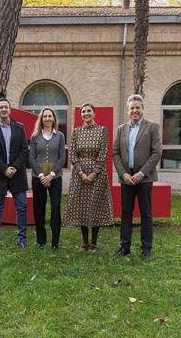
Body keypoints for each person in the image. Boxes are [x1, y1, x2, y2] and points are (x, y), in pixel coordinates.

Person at [113, 94, 161, 259]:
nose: (135, 110)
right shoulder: (121, 129)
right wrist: (123, 174)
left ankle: (146, 248)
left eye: (137, 107)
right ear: (127, 110)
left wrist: (141, 173)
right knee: (126, 213)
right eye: (132, 108)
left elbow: (156, 153)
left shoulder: (152, 127)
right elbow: (116, 154)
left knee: (146, 213)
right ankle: (124, 247)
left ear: (143, 109)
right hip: (127, 178)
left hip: (144, 178)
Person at [64, 103, 113, 252]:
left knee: (95, 205)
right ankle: (85, 243)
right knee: (82, 206)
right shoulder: (76, 132)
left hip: (97, 174)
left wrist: (93, 173)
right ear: (81, 115)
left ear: (94, 113)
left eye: (89, 111)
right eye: (83, 111)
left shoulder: (102, 130)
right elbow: (72, 154)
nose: (86, 113)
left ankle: (94, 243)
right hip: (79, 174)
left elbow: (104, 153)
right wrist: (81, 173)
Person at [0, 98, 29, 250]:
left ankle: (22, 240)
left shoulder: (20, 127)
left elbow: (24, 150)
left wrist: (14, 167)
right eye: (0, 107)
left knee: (22, 206)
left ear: (10, 110)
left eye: (6, 107)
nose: (3, 109)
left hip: (17, 173)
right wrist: (4, 168)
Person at [28, 108, 66, 250]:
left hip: (55, 177)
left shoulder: (60, 136)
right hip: (38, 178)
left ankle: (55, 242)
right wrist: (41, 175)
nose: (48, 118)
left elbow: (62, 157)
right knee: (39, 209)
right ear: (41, 119)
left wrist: (51, 175)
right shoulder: (35, 136)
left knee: (55, 208)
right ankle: (41, 241)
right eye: (45, 116)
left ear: (54, 118)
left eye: (50, 116)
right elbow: (31, 158)